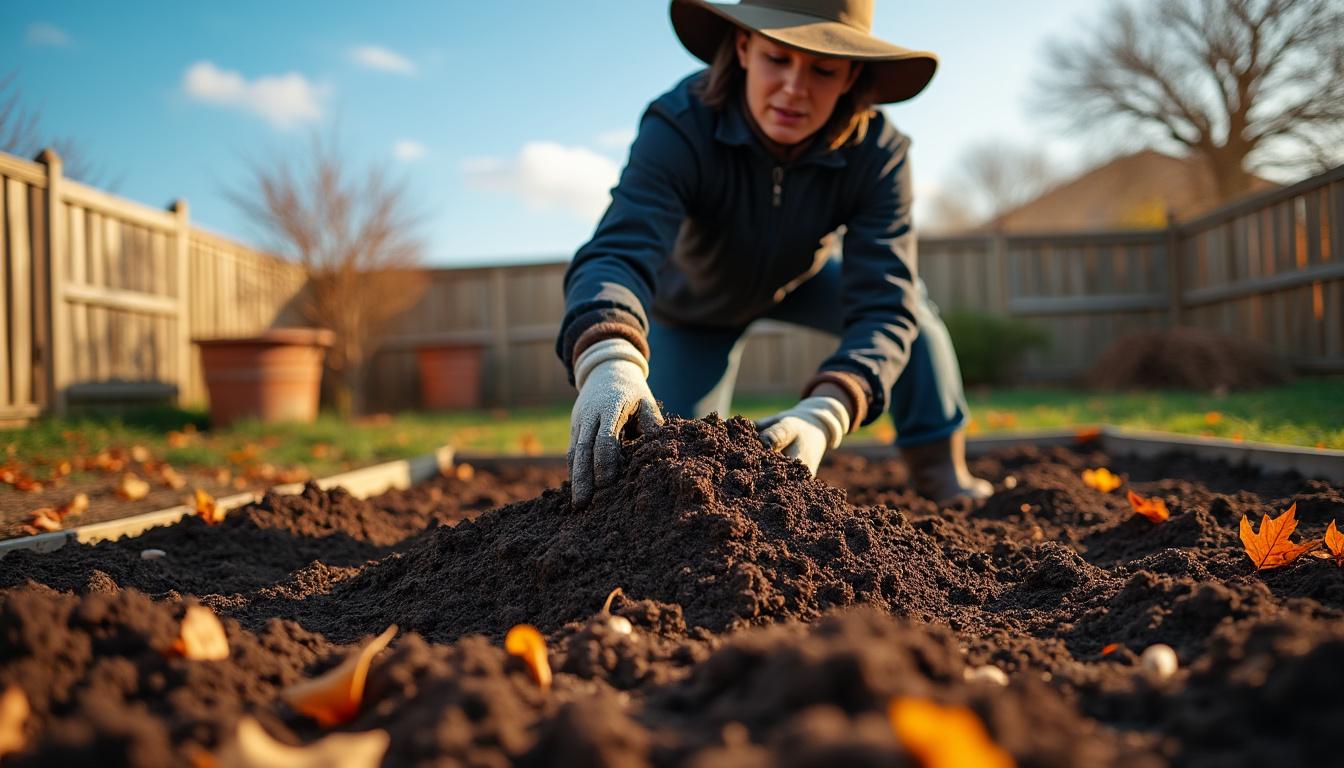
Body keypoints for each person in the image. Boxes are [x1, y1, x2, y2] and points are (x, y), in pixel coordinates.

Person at [558, 0, 993, 508]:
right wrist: (609, 356)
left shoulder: (878, 153)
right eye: (777, 59)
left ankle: (942, 473)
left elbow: (883, 302)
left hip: (800, 279)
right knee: (665, 460)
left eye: (823, 69)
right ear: (743, 47)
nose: (795, 89)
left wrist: (826, 412)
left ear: (851, 73)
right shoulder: (681, 124)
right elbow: (618, 249)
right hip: (693, 302)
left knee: (914, 316)